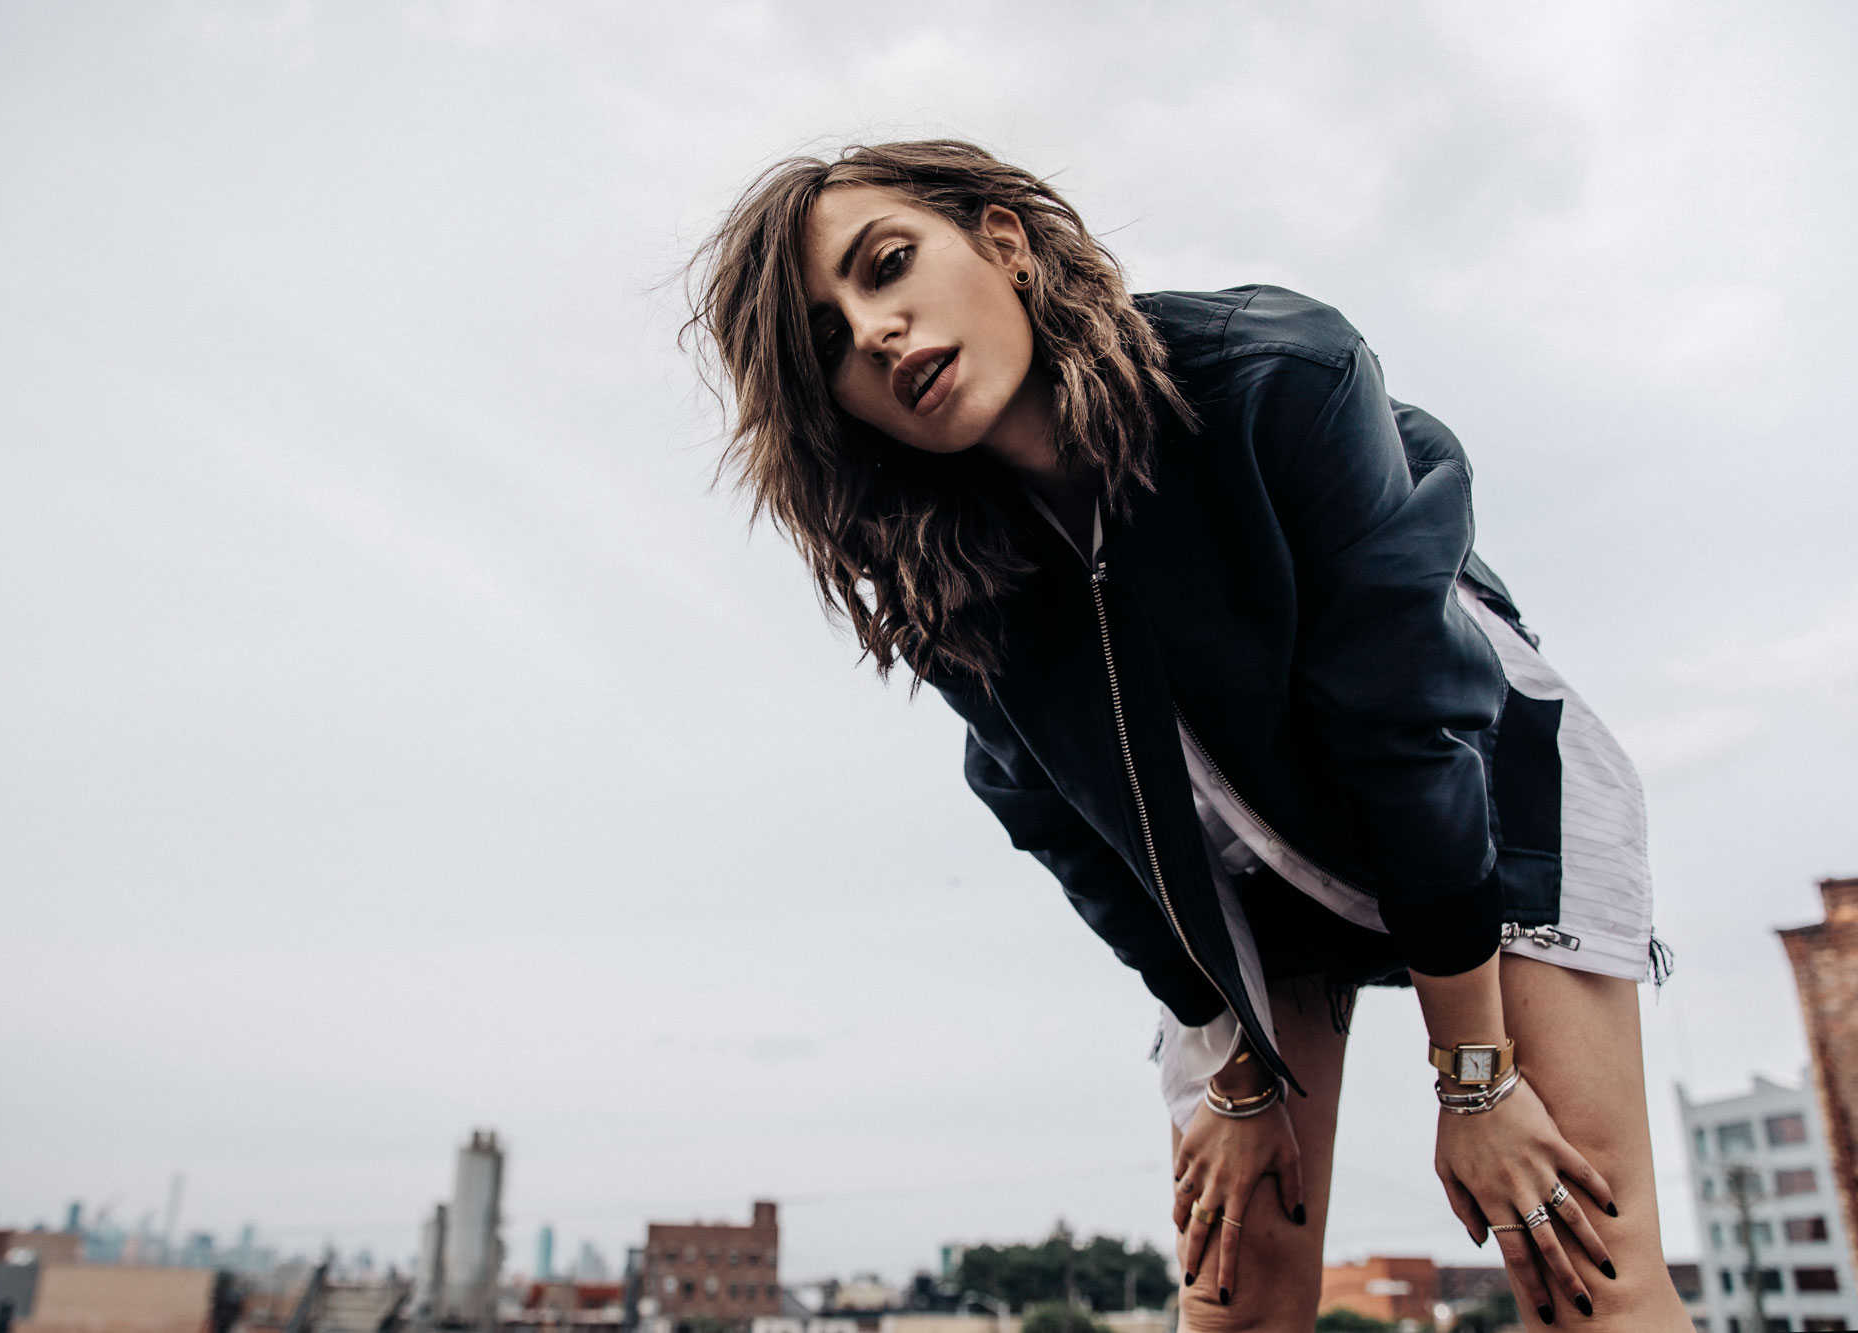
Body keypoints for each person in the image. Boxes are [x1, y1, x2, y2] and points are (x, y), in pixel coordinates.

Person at [685, 139, 1687, 1331]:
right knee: (1233, 1292)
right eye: (829, 344)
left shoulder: (1274, 378)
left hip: (1481, 793)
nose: (877, 331)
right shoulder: (945, 578)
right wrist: (1235, 1065)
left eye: (886, 266)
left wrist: (1473, 1081)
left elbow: (1405, 728)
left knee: (1582, 1271)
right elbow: (1074, 832)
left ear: (1001, 241)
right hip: (1236, 874)